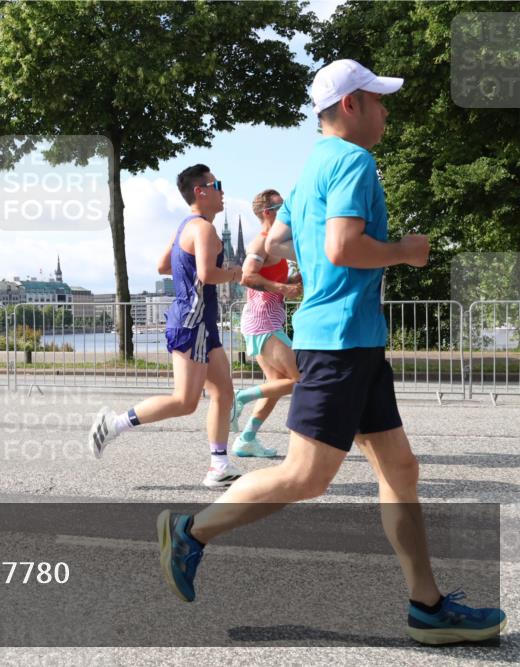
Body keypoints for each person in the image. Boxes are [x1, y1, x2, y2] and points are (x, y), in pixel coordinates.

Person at [157, 60, 506, 644]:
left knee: (400, 468)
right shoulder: (352, 160)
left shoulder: (312, 167)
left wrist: (273, 265)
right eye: (378, 100)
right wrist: (407, 251)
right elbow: (343, 247)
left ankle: (427, 606)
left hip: (355, 341)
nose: (386, 111)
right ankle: (191, 532)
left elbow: (274, 239)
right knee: (305, 476)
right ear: (351, 105)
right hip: (340, 341)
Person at [89, 164, 245, 488]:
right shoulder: (202, 229)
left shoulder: (185, 227)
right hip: (193, 322)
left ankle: (219, 465)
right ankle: (113, 424)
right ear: (200, 191)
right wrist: (234, 272)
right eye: (217, 184)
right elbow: (206, 274)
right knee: (184, 402)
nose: (222, 190)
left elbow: (164, 265)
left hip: (201, 323)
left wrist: (190, 273)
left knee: (224, 392)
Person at [227, 189, 303, 457]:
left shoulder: (277, 243)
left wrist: (295, 282)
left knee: (275, 384)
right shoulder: (260, 243)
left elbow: (276, 283)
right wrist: (282, 287)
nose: (287, 210)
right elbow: (247, 277)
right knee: (301, 379)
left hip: (267, 320)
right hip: (262, 322)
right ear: (268, 213)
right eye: (282, 206)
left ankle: (247, 438)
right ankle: (240, 398)